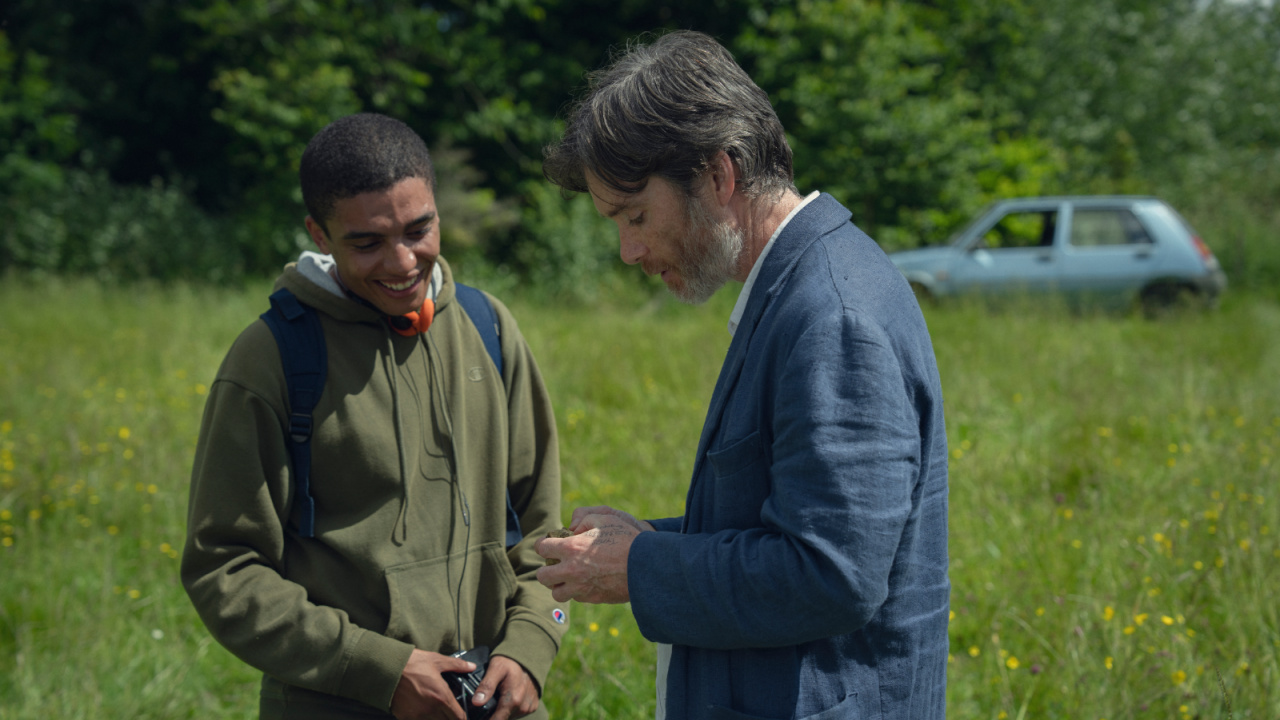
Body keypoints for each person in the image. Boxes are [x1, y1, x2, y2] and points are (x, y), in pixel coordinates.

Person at [535, 31, 949, 719]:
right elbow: (783, 520)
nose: (628, 250)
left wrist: (640, 568)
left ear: (718, 177)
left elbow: (832, 575)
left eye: (636, 216)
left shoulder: (833, 315)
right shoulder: (798, 286)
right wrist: (656, 540)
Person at [182, 113, 567, 720]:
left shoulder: (488, 329)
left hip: (497, 700)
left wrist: (528, 649)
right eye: (367, 242)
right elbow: (225, 568)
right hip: (340, 701)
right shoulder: (272, 359)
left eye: (420, 229)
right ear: (320, 232)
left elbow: (542, 531)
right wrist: (378, 671)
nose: (402, 261)